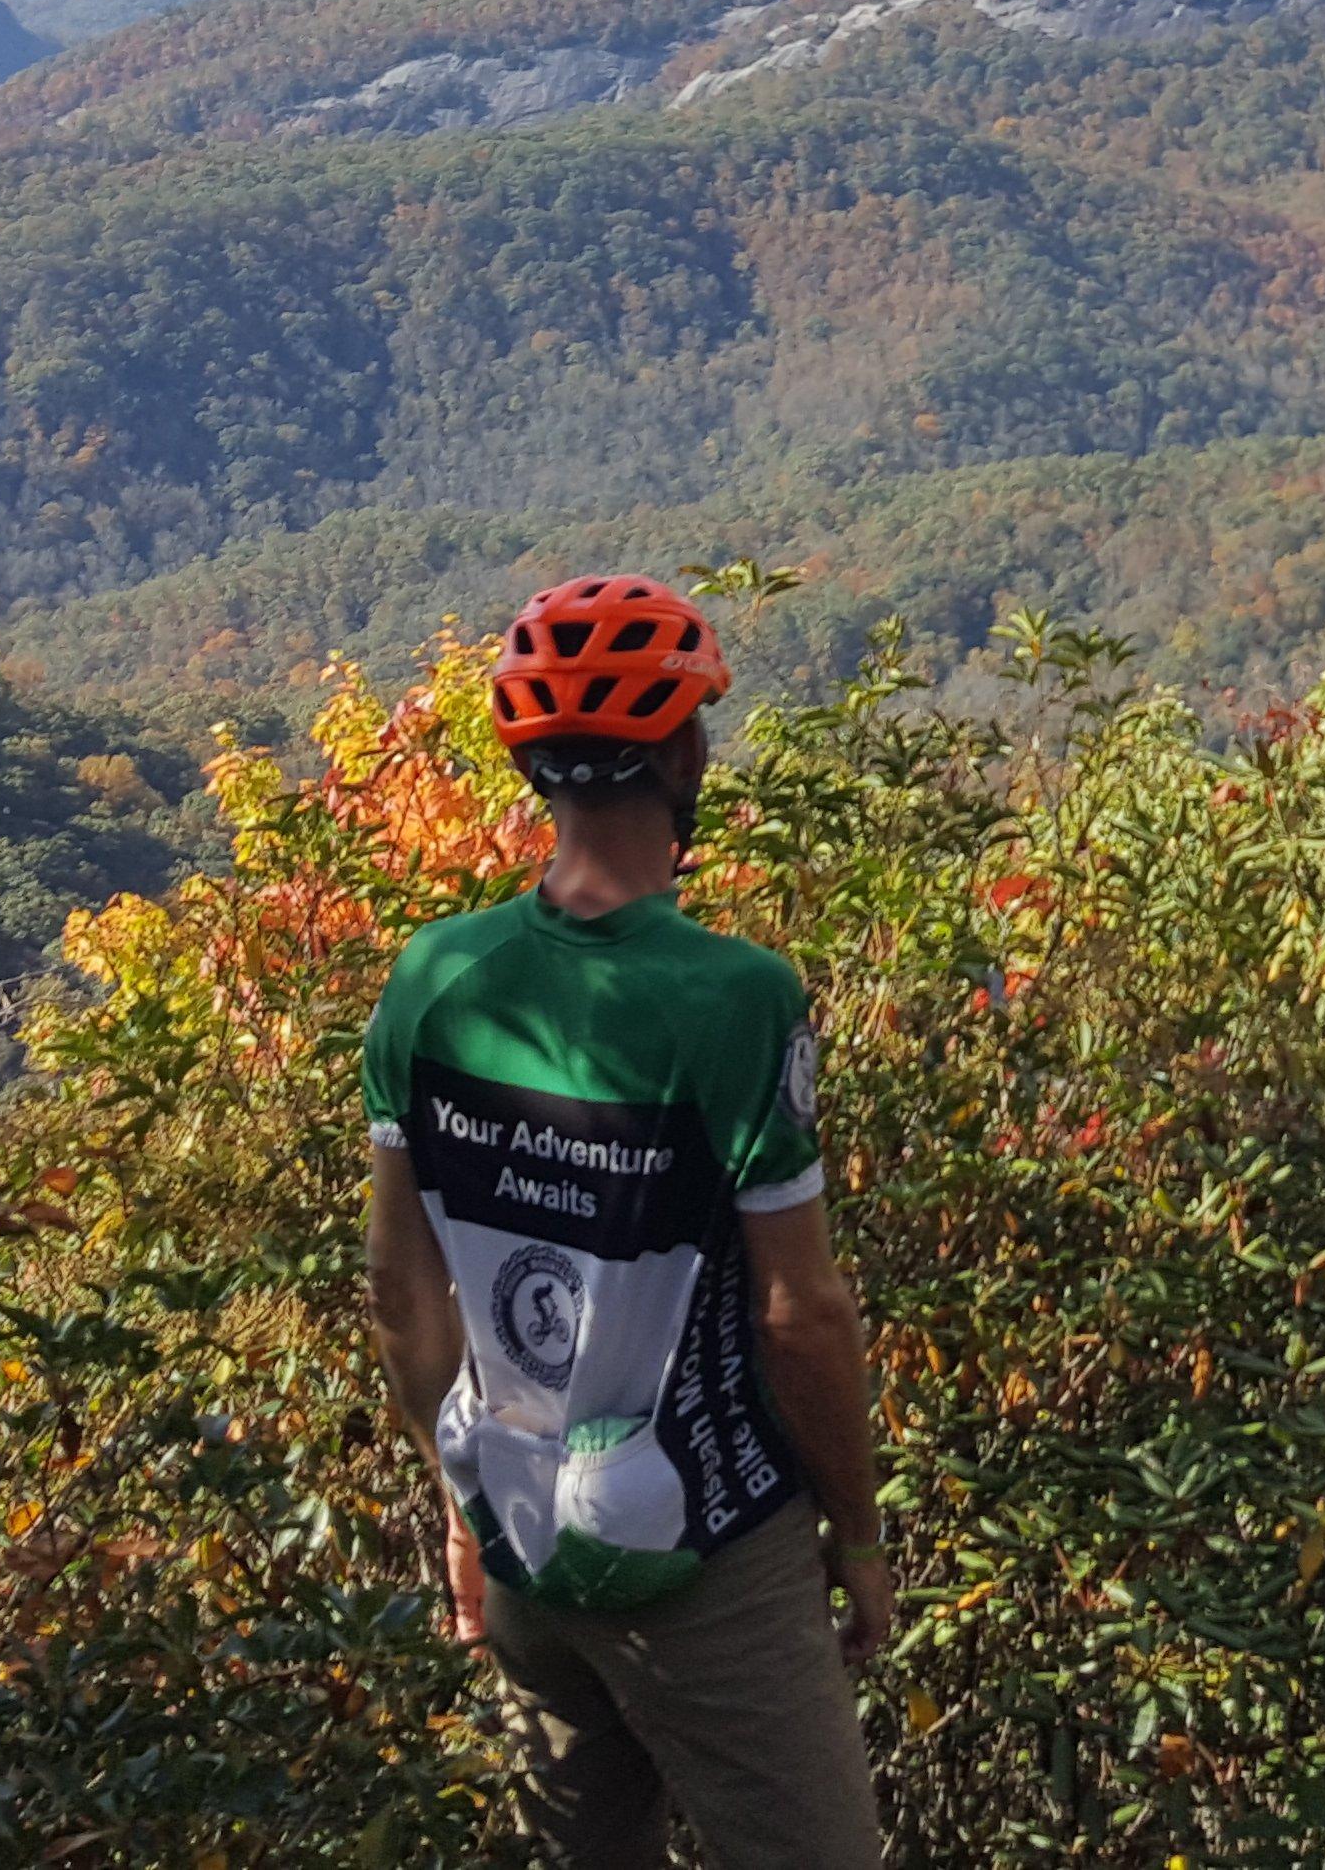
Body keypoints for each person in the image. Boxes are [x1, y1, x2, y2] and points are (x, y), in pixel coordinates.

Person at [360, 574, 893, 1868]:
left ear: (533, 762)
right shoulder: (735, 999)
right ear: (682, 750)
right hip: (708, 1561)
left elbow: (399, 1286)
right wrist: (862, 1533)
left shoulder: (437, 976)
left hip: (524, 1535)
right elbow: (799, 1315)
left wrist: (460, 1499)